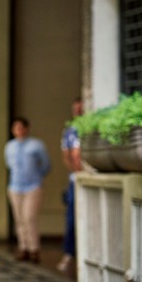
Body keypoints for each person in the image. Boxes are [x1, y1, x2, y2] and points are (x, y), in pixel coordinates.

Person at [5, 117, 51, 263]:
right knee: (19, 218)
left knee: (29, 217)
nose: (18, 130)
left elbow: (45, 165)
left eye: (21, 127)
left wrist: (37, 177)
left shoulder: (36, 145)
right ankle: (23, 247)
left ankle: (34, 248)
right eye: (15, 127)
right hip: (15, 186)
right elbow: (8, 165)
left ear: (26, 128)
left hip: (32, 186)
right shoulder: (9, 146)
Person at [58, 98, 83, 272]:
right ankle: (69, 254)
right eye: (75, 109)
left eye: (80, 108)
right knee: (71, 219)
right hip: (75, 180)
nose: (78, 112)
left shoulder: (90, 128)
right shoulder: (69, 131)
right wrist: (77, 171)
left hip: (90, 178)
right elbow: (67, 156)